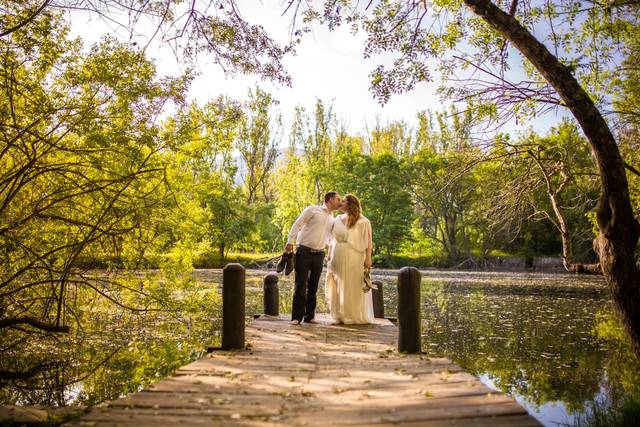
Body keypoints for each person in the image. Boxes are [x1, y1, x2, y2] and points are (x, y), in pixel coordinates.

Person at [285, 191, 342, 325]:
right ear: (330, 199)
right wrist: (290, 241)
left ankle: (309, 316)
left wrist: (331, 252)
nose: (340, 202)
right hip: (303, 252)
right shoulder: (312, 210)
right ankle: (296, 318)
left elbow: (331, 239)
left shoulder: (332, 219)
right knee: (300, 284)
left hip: (319, 254)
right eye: (338, 199)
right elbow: (297, 224)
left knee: (313, 286)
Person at [325, 194, 374, 325]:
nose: (340, 203)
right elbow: (332, 239)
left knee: (351, 284)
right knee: (337, 284)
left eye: (343, 201)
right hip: (337, 254)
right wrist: (329, 254)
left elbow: (369, 242)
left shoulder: (364, 221)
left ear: (351, 204)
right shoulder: (338, 218)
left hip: (355, 256)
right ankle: (339, 315)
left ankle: (351, 315)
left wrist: (368, 258)